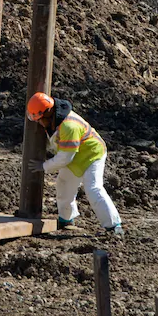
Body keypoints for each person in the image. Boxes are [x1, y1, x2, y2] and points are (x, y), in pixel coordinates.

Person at [25, 92, 123, 235]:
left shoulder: (69, 126)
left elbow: (64, 158)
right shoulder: (53, 120)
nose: (38, 123)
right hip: (74, 155)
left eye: (39, 119)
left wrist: (44, 166)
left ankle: (114, 226)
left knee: (93, 188)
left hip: (92, 154)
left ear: (47, 114)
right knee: (64, 184)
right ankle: (66, 219)